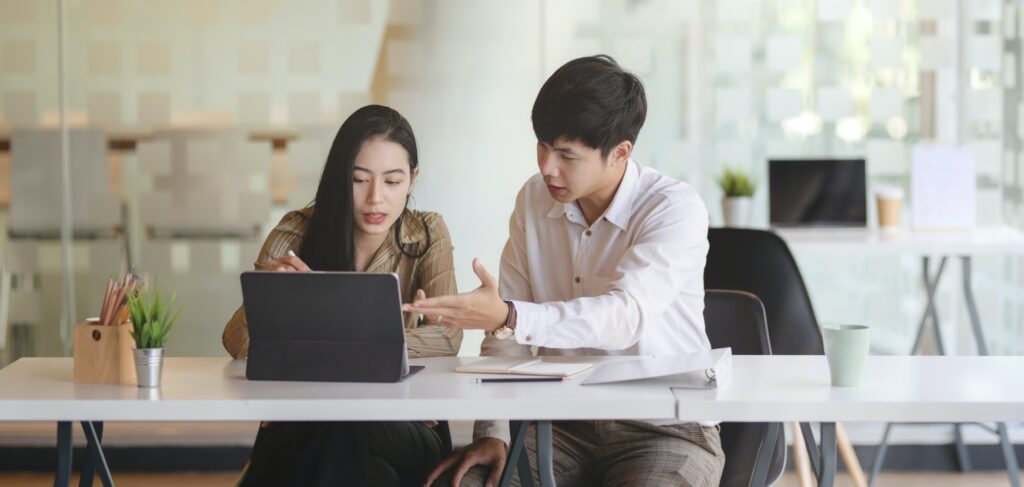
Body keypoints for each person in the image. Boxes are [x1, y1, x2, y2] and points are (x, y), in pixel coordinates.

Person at [407, 55, 724, 486]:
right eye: (542, 145)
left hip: (665, 425)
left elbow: (623, 317)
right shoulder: (534, 200)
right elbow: (507, 342)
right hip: (558, 426)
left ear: (619, 153)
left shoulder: (673, 209)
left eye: (566, 155)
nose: (546, 166)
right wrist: (494, 433)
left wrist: (511, 315)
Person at [222, 105, 462, 487]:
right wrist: (273, 296)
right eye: (358, 179)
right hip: (310, 428)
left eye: (392, 181)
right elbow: (238, 342)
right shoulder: (297, 232)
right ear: (339, 177)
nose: (375, 199)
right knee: (368, 471)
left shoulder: (428, 233)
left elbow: (448, 337)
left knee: (337, 418)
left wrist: (319, 345)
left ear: (413, 178)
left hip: (403, 426)